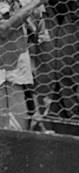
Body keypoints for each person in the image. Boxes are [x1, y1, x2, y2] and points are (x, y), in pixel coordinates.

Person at [0, 0, 46, 130]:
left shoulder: (18, 3)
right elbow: (3, 29)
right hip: (3, 79)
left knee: (17, 136)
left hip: (17, 79)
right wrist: (36, 3)